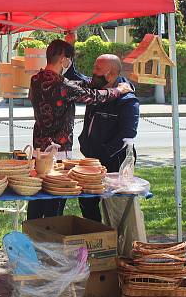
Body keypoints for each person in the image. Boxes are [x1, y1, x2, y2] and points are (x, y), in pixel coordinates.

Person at [27, 40, 133, 220]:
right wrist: (119, 90)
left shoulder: (36, 79)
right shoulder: (63, 85)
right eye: (68, 59)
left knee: (37, 199)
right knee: (55, 200)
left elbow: (79, 84)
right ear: (63, 60)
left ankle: (31, 236)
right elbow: (94, 96)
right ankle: (48, 240)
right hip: (57, 153)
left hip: (38, 150)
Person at [77, 54, 140, 222]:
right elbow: (76, 77)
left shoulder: (128, 101)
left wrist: (102, 156)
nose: (93, 72)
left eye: (98, 69)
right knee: (86, 200)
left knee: (116, 208)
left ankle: (116, 240)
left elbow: (127, 136)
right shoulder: (99, 91)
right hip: (93, 161)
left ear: (111, 75)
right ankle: (97, 236)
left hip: (114, 163)